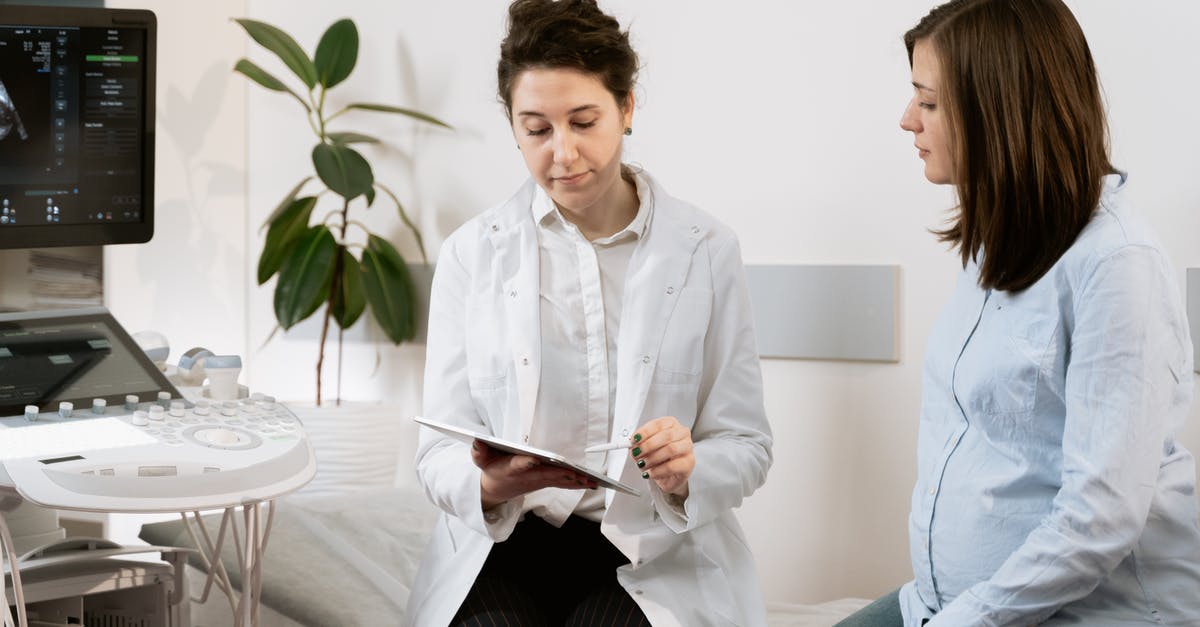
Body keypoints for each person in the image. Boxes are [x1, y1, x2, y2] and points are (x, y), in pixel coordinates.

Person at [405, 1, 774, 624]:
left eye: (584, 121)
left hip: (646, 550)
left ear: (626, 109)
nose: (563, 154)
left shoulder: (706, 250)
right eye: (537, 129)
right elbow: (436, 452)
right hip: (503, 546)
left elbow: (747, 445)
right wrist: (493, 485)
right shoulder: (473, 253)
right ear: (513, 126)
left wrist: (688, 470)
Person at [839, 1, 1200, 625]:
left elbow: (1099, 519)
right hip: (943, 603)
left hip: (1080, 613)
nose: (906, 121)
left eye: (927, 103)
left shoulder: (1117, 266)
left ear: (998, 112)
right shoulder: (998, 243)